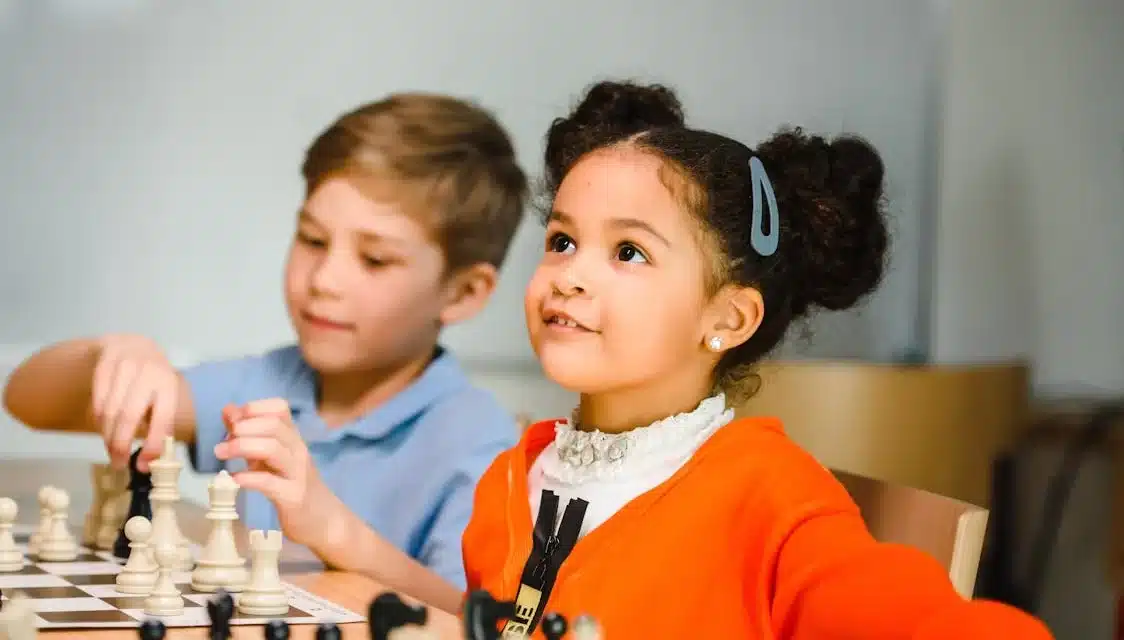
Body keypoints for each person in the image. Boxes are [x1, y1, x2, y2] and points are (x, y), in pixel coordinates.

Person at [118, 80, 1051, 638]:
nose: (567, 276)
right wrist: (328, 522)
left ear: (727, 318)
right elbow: (480, 618)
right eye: (562, 241)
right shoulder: (518, 474)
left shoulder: (770, 493)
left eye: (628, 252)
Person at [2, 92, 529, 590]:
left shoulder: (478, 445)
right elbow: (26, 401)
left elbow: (476, 620)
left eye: (374, 259)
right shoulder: (264, 386)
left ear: (463, 293)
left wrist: (333, 530)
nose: (324, 279)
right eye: (313, 240)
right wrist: (110, 355)